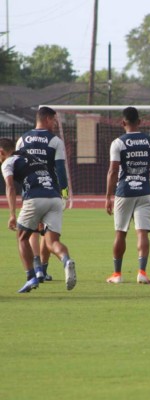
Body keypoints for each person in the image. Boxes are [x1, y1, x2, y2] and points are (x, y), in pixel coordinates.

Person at [1, 138, 76, 293]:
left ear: (1, 152)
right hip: (55, 198)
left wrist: (12, 214)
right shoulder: (32, 158)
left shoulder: (8, 162)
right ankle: (66, 260)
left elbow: (10, 187)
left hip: (35, 198)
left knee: (22, 237)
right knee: (52, 241)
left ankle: (31, 278)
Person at [105, 107, 150, 284]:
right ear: (140, 121)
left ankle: (117, 275)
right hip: (144, 191)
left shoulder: (118, 143)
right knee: (142, 233)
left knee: (120, 233)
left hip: (124, 192)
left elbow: (113, 171)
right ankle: (142, 272)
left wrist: (108, 196)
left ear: (123, 123)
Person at [15, 106, 69, 283]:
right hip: (51, 192)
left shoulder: (22, 140)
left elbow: (18, 168)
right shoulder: (55, 141)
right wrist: (65, 192)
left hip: (31, 192)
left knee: (31, 232)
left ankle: (37, 269)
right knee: (49, 234)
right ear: (47, 119)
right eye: (54, 120)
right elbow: (60, 170)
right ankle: (44, 269)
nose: (54, 124)